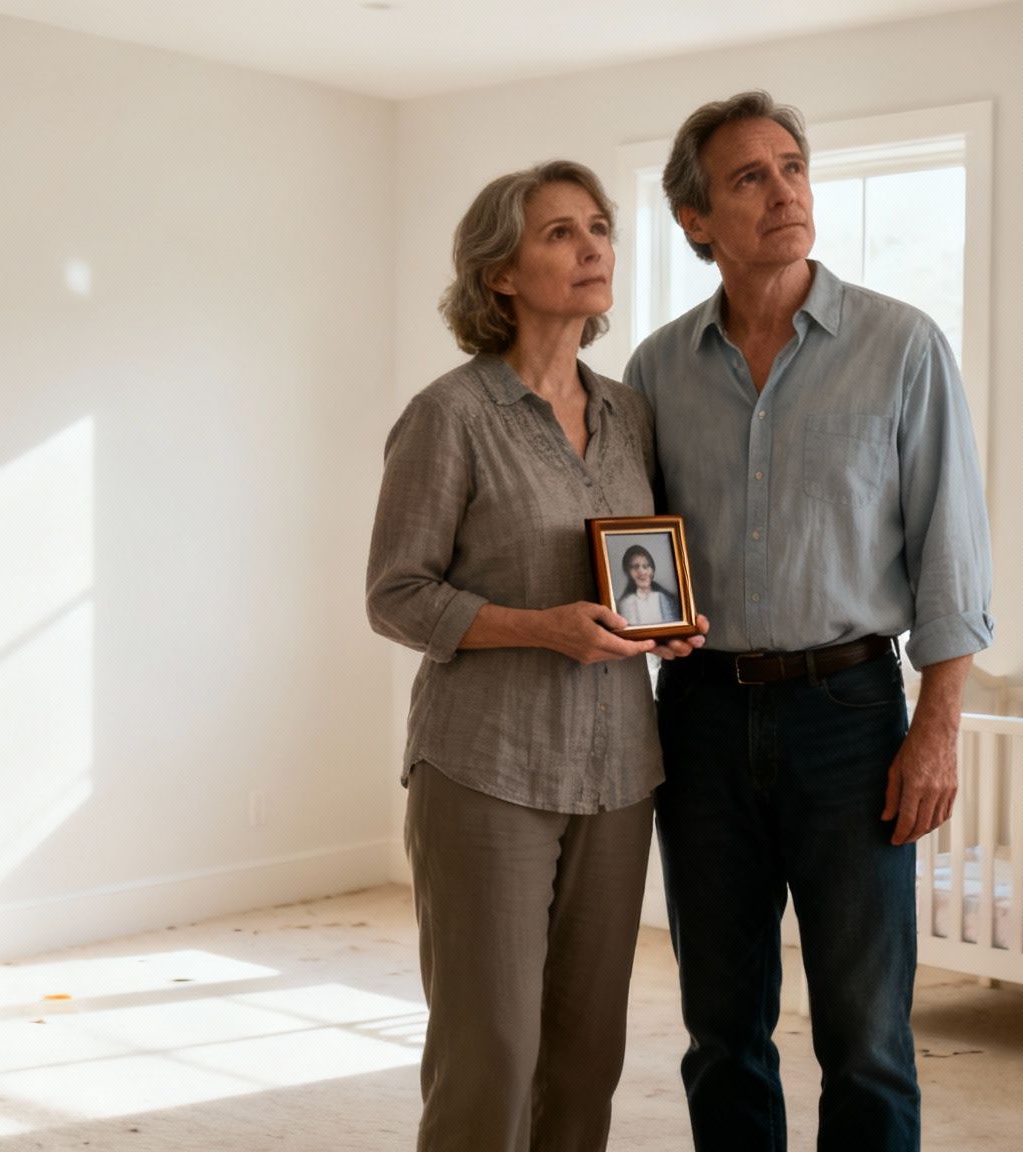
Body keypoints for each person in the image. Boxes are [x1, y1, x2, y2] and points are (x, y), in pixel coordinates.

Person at [624, 92, 993, 1152]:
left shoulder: (900, 347)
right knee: (719, 1029)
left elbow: (950, 556)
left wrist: (935, 729)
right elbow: (637, 550)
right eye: (748, 177)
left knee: (865, 1035)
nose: (783, 190)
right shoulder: (655, 370)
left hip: (849, 716)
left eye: (791, 167)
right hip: (695, 720)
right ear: (695, 220)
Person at [366, 159, 706, 1152]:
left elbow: (640, 568)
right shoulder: (449, 416)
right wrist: (536, 625)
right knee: (492, 1053)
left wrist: (668, 623)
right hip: (487, 770)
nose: (593, 244)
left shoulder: (628, 412)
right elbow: (395, 595)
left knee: (585, 1057)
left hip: (618, 774)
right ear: (499, 273)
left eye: (598, 227)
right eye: (559, 231)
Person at [614, 543, 680, 626]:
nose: (641, 572)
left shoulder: (665, 598)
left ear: (652, 571)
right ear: (628, 572)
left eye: (646, 566)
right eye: (635, 567)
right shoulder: (626, 603)